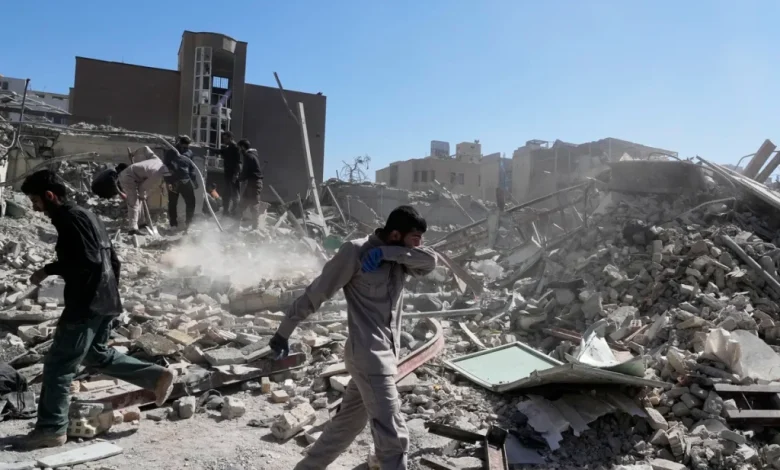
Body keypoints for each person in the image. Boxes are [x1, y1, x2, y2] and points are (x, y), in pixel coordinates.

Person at [16, 170, 175, 450]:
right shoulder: (89, 215)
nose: (35, 208)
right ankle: (156, 376)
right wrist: (111, 296)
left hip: (86, 303)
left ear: (50, 196)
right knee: (96, 354)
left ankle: (51, 429)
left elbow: (86, 262)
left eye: (35, 201)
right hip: (106, 298)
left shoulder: (68, 219)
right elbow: (113, 261)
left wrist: (48, 270)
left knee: (59, 366)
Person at [269, 205, 437, 470]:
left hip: (385, 357)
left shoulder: (401, 258)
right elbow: (316, 293)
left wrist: (387, 252)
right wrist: (283, 332)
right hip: (368, 356)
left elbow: (431, 261)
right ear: (395, 234)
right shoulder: (355, 252)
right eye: (415, 238)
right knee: (393, 438)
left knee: (347, 425)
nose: (419, 245)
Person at [117, 154, 168, 235]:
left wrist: (135, 153)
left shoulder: (158, 161)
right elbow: (142, 188)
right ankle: (132, 229)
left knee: (139, 201)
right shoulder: (157, 174)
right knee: (134, 202)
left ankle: (141, 223)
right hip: (128, 177)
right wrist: (143, 195)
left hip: (135, 176)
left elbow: (147, 150)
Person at [163, 135, 199, 230]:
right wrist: (168, 180)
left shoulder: (189, 153)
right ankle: (173, 224)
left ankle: (188, 223)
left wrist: (194, 180)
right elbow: (165, 166)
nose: (185, 148)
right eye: (183, 146)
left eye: (186, 147)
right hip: (173, 181)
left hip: (185, 181)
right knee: (173, 203)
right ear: (180, 143)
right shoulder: (171, 152)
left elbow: (191, 168)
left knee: (191, 202)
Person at [235, 139, 265, 230]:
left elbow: (245, 172)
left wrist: (238, 179)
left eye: (239, 148)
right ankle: (235, 227)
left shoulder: (248, 156)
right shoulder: (252, 155)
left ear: (243, 147)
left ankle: (255, 229)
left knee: (254, 206)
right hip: (252, 183)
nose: (239, 150)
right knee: (242, 205)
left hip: (254, 184)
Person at [208, 131, 241, 216]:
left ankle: (234, 212)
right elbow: (220, 151)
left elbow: (238, 163)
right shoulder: (228, 147)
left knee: (234, 195)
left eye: (226, 139)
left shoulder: (235, 148)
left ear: (231, 138)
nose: (224, 140)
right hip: (228, 174)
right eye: (224, 139)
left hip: (233, 175)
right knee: (226, 194)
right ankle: (226, 211)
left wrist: (236, 174)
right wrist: (208, 148)